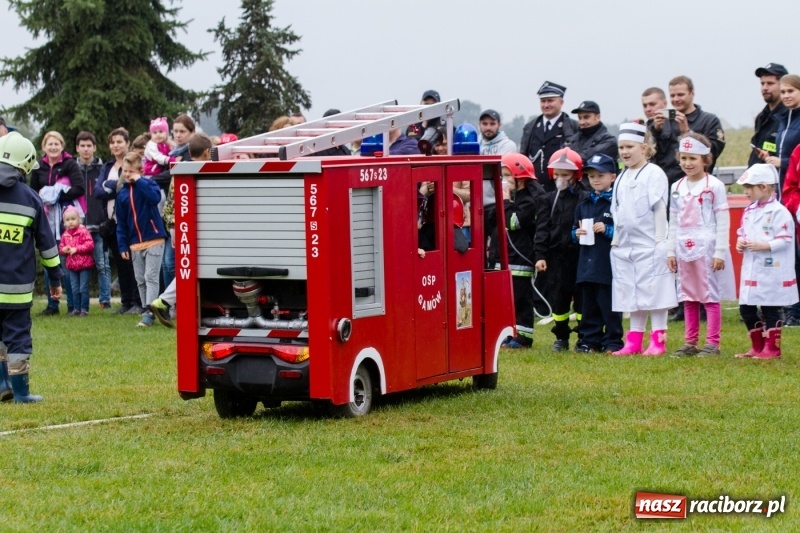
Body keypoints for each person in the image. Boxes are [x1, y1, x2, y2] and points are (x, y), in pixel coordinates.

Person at [0, 132, 62, 403]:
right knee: (17, 338)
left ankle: (3, 385)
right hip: (16, 291)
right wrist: (55, 279)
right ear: (25, 164)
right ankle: (22, 393)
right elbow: (47, 247)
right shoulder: (30, 199)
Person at [610, 123, 677, 356]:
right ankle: (634, 339)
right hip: (627, 246)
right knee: (632, 291)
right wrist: (616, 242)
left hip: (650, 243)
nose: (625, 151)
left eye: (630, 146)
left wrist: (661, 241)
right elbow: (617, 211)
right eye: (621, 147)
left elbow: (659, 207)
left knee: (655, 291)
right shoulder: (621, 177)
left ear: (644, 147)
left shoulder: (654, 173)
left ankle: (658, 338)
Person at [667, 133, 735, 357]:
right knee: (688, 295)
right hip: (683, 247)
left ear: (705, 159)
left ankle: (712, 343)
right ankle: (690, 341)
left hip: (706, 246)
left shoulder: (713, 185)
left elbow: (723, 220)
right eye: (684, 158)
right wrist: (670, 251)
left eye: (693, 158)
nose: (687, 163)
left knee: (709, 295)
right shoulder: (677, 186)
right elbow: (674, 221)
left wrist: (720, 252)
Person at [151, 133, 214, 327]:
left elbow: (170, 205)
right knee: (193, 269)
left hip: (176, 225)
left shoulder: (179, 171)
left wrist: (174, 230)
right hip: (191, 226)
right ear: (206, 152)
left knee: (188, 268)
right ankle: (165, 302)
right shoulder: (201, 171)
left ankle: (179, 307)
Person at [734, 164, 797, 359]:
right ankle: (757, 345)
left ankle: (773, 348)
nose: (745, 192)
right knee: (746, 307)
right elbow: (742, 231)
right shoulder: (749, 211)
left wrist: (765, 245)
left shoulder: (780, 212)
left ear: (764, 187)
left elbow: (786, 238)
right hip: (753, 269)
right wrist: (740, 241)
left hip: (771, 270)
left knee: (770, 307)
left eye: (749, 188)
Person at [489, 153, 547, 349]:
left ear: (520, 178)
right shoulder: (516, 198)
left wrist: (504, 201)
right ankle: (510, 333)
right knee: (507, 300)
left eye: (506, 176)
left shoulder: (530, 200)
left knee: (521, 299)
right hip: (505, 257)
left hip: (520, 259)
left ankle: (524, 337)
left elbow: (513, 223)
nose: (503, 180)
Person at [536, 148, 587, 351]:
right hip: (556, 257)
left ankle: (584, 335)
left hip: (580, 255)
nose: (561, 178)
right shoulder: (547, 200)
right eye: (557, 173)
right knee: (559, 297)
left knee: (582, 298)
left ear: (576, 174)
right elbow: (541, 230)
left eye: (566, 174)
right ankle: (561, 336)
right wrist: (540, 255)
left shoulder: (585, 197)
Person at [572, 153, 623, 353]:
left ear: (612, 176)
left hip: (607, 265)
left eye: (600, 175)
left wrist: (608, 230)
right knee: (588, 306)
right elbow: (571, 231)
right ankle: (589, 340)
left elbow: (624, 231)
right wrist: (575, 234)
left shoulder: (616, 204)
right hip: (586, 264)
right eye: (591, 176)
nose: (595, 180)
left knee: (609, 305)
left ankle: (612, 341)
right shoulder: (584, 204)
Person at [29, 130, 84, 316]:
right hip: (45, 218)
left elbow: (79, 187)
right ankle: (52, 305)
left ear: (62, 146)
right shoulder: (38, 167)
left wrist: (56, 193)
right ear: (44, 146)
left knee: (65, 261)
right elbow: (33, 190)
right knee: (48, 257)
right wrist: (44, 198)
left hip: (66, 218)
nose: (53, 147)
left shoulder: (69, 164)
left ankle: (72, 305)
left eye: (56, 144)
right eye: (49, 144)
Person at [116, 151, 168, 327]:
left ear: (140, 170)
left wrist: (140, 181)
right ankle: (153, 308)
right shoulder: (122, 195)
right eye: (125, 171)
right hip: (134, 244)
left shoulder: (149, 184)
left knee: (150, 276)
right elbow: (121, 223)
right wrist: (123, 245)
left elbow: (155, 198)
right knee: (140, 279)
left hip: (154, 239)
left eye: (131, 171)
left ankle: (149, 313)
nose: (128, 174)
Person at [95, 128, 143, 315]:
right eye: (113, 142)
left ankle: (139, 302)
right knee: (121, 264)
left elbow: (127, 188)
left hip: (132, 222)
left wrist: (111, 187)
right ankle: (126, 302)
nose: (116, 145)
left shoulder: (134, 164)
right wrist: (114, 186)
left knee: (134, 264)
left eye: (119, 142)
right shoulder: (107, 167)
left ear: (127, 143)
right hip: (113, 222)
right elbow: (98, 192)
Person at [769, 74, 800, 325]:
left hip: (797, 196)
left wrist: (783, 162)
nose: (786, 95)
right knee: (790, 256)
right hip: (783, 196)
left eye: (791, 91)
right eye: (784, 91)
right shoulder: (782, 120)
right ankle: (792, 309)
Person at [75, 131, 111, 309]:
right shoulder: (73, 169)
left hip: (99, 224)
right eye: (82, 145)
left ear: (95, 148)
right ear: (77, 148)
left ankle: (105, 300)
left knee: (102, 264)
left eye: (89, 145)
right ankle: (80, 302)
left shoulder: (102, 169)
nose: (86, 149)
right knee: (79, 266)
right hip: (79, 226)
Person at [520, 81, 578, 190]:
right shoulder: (530, 127)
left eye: (550, 101)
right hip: (534, 189)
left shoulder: (572, 127)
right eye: (543, 101)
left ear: (561, 102)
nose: (546, 105)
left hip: (560, 188)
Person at [479, 109, 518, 262]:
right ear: (479, 124)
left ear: (499, 125)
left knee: (496, 250)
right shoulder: (475, 144)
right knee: (478, 252)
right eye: (485, 123)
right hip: (477, 205)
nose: (488, 127)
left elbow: (500, 171)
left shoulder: (508, 145)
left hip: (497, 204)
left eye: (492, 124)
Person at [666, 76, 726, 173]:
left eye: (680, 94)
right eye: (672, 95)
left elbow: (713, 152)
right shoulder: (666, 121)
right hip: (671, 184)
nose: (676, 99)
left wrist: (687, 132)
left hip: (699, 182)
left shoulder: (710, 121)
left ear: (692, 93)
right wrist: (656, 129)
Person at [749, 63, 789, 167]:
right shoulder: (761, 117)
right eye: (762, 84)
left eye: (770, 83)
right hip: (760, 179)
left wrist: (782, 162)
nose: (765, 88)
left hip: (782, 179)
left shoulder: (791, 117)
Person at [58, 206, 95, 316]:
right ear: (64, 223)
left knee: (83, 288)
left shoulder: (83, 232)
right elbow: (61, 248)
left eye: (73, 219)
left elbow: (90, 245)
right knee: (74, 288)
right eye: (67, 220)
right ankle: (76, 309)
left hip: (84, 265)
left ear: (79, 219)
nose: (70, 222)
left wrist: (76, 249)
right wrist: (64, 250)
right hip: (72, 266)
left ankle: (84, 309)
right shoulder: (65, 235)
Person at [642, 87, 683, 185]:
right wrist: (655, 130)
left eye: (652, 104)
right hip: (653, 182)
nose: (648, 109)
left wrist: (685, 131)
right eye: (645, 105)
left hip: (676, 181)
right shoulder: (644, 129)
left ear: (664, 104)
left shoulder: (679, 123)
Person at [567, 100, 618, 166]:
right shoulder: (573, 139)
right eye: (580, 118)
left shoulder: (609, 141)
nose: (582, 122)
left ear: (598, 117)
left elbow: (587, 158)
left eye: (586, 117)